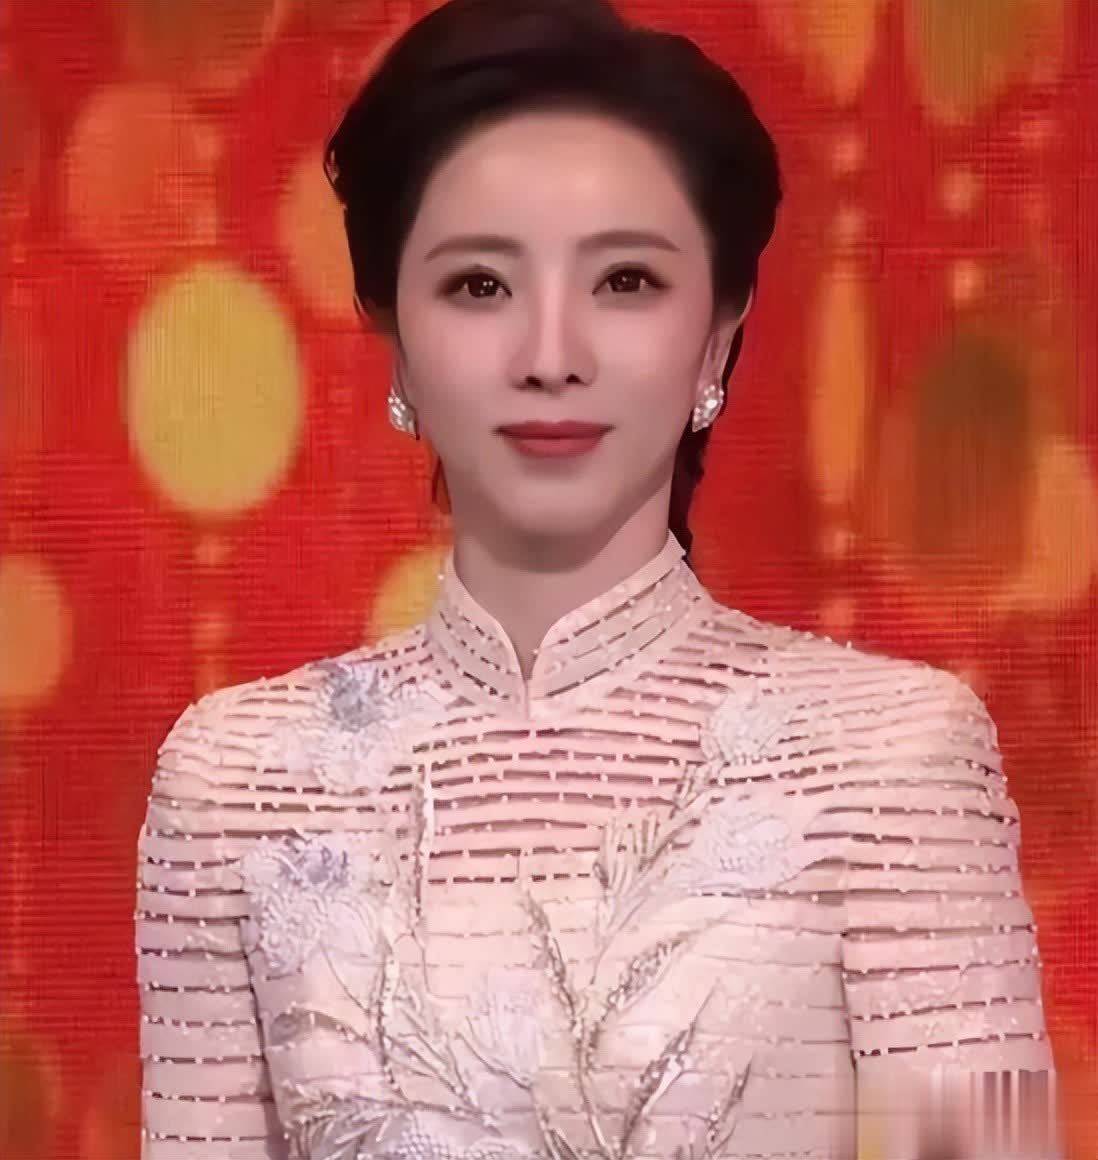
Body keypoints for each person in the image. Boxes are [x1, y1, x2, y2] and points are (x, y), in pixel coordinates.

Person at [134, 1, 1063, 1157]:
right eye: (480, 285)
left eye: (625, 280)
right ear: (396, 340)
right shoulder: (233, 780)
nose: (551, 354)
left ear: (717, 337)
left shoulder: (897, 759)